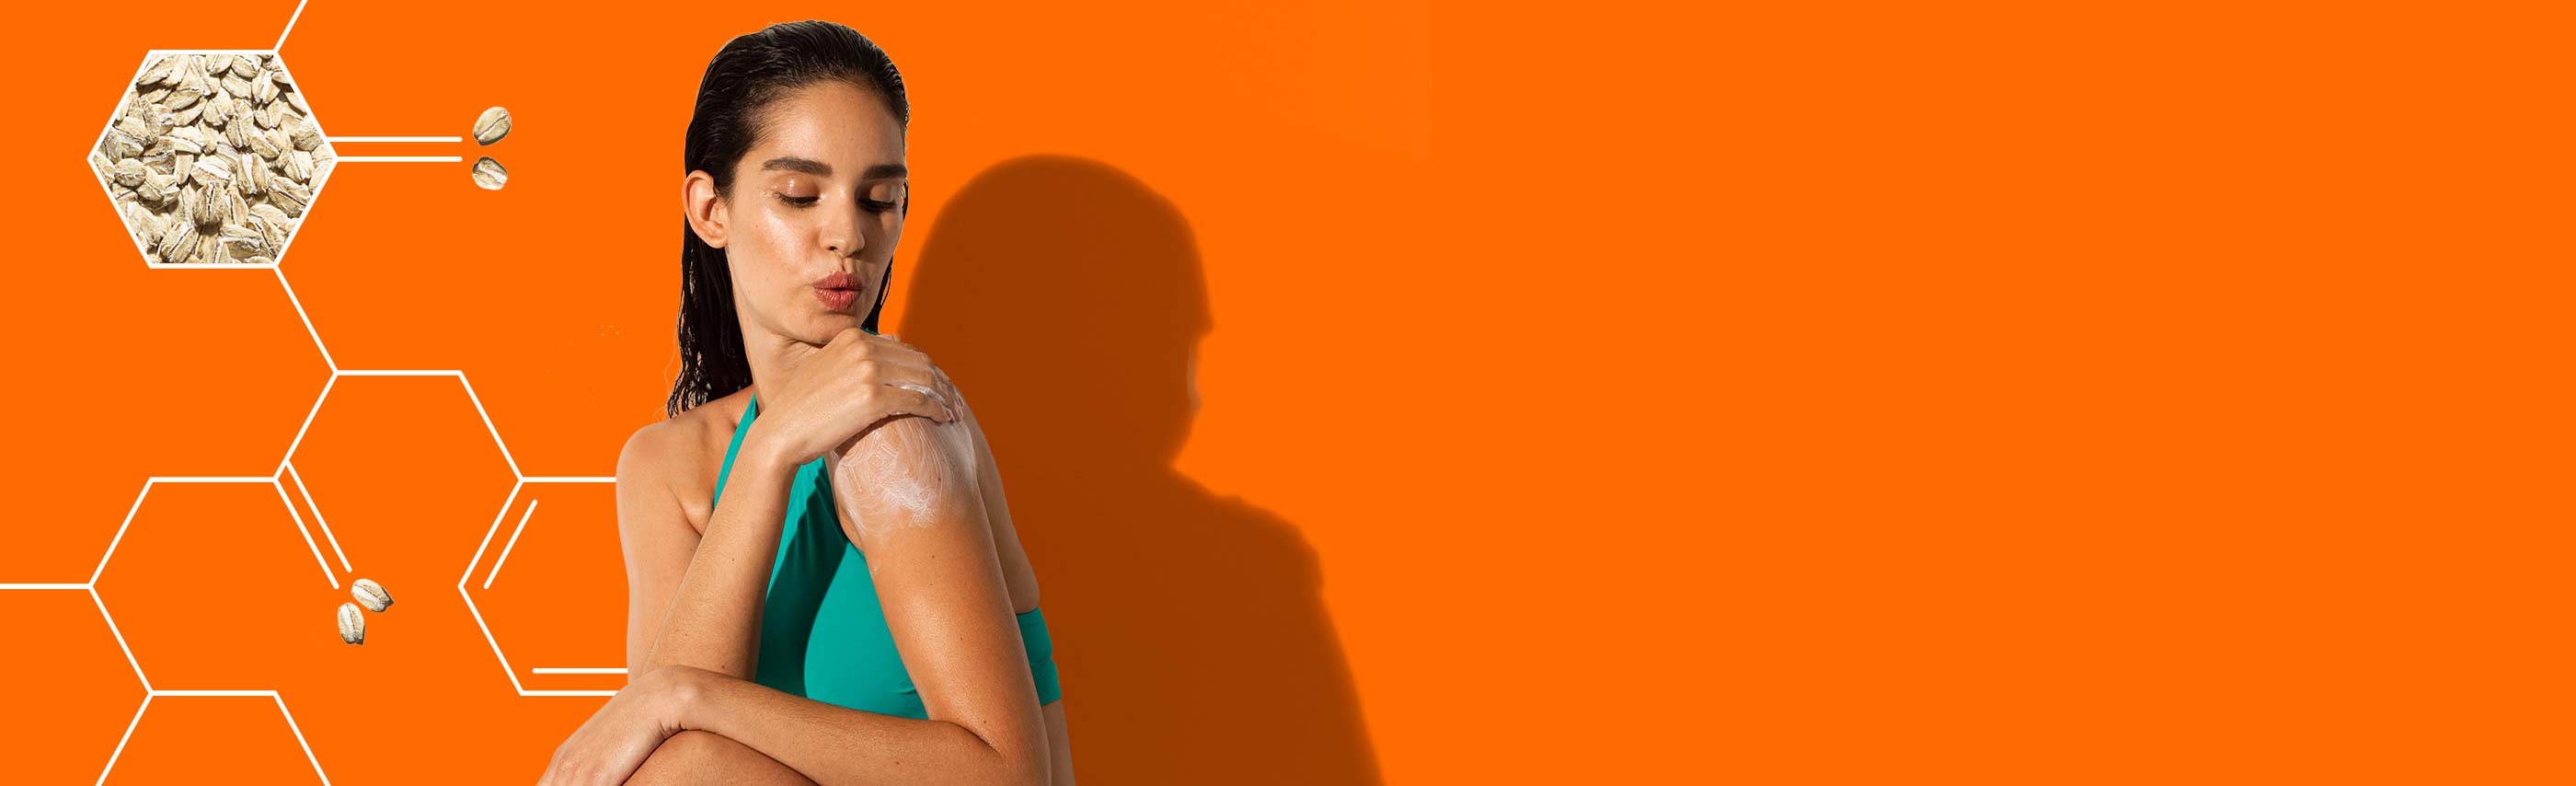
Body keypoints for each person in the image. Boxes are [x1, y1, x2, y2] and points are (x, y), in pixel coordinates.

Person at [540, 20, 1072, 785]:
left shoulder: (893, 434)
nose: (848, 235)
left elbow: (1008, 773)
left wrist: (690, 695)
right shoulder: (666, 465)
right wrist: (768, 451)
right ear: (709, 210)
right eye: (799, 195)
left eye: (880, 199)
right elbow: (651, 750)